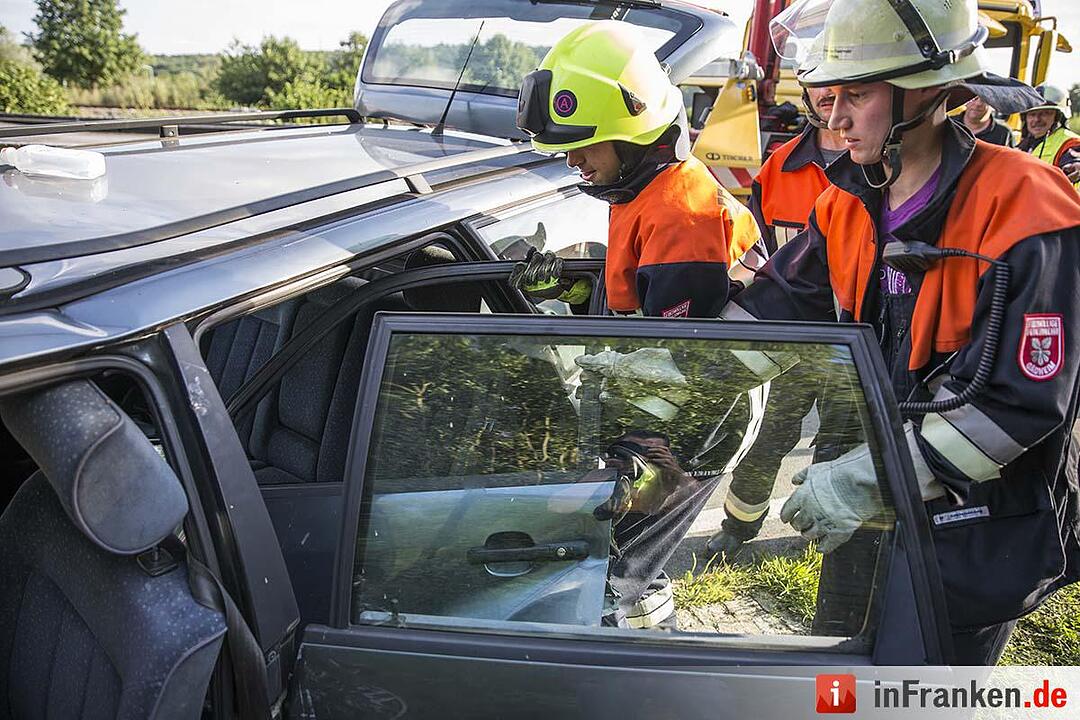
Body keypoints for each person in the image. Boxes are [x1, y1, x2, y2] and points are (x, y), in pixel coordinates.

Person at [726, 0, 1080, 664]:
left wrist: (872, 479)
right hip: (866, 504)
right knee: (840, 681)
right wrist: (681, 371)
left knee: (924, 694)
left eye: (857, 94)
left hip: (974, 528)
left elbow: (1020, 404)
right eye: (828, 96)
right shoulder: (846, 202)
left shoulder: (1027, 203)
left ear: (931, 90)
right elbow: (773, 309)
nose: (834, 119)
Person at [512, 20, 758, 318]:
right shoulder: (645, 190)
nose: (572, 160)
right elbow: (639, 305)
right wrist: (580, 291)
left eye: (586, 144)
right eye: (566, 148)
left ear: (632, 139)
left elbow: (675, 350)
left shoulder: (680, 219)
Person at [1019, 84, 1080, 185]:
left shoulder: (1071, 143)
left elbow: (1075, 160)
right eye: (1032, 114)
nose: (1037, 119)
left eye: (1045, 113)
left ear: (1058, 117)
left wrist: (1076, 166)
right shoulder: (1023, 145)